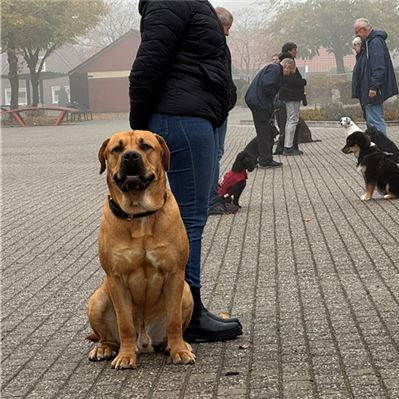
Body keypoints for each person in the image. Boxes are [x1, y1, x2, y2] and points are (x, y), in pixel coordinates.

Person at [129, 0, 242, 342]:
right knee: (187, 218)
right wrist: (140, 130)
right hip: (181, 118)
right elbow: (147, 66)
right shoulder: (170, 2)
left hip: (190, 114)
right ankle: (184, 314)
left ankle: (176, 310)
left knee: (181, 219)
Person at [208, 6, 239, 216]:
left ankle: (212, 196)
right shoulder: (213, 44)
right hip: (216, 108)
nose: (227, 32)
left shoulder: (217, 44)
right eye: (226, 27)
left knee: (215, 153)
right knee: (213, 154)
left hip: (219, 106)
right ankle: (211, 199)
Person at [245, 57, 296, 168]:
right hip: (259, 103)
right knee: (264, 132)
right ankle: (264, 160)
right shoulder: (275, 69)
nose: (288, 75)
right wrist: (274, 101)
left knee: (266, 131)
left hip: (257, 102)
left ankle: (255, 157)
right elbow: (267, 86)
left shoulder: (274, 69)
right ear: (286, 66)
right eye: (290, 72)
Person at [352, 18, 398, 136]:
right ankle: (377, 149)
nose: (356, 35)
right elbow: (364, 66)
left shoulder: (375, 42)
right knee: (371, 122)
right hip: (366, 89)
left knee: (375, 122)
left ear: (364, 30)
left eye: (357, 31)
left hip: (371, 90)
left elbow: (379, 67)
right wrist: (359, 53)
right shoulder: (367, 43)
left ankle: (381, 149)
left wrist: (373, 87)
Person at [274, 43, 306, 156]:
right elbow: (291, 80)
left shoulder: (283, 61)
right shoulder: (288, 62)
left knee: (290, 120)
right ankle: (288, 147)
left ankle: (288, 146)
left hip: (288, 95)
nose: (296, 52)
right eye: (295, 50)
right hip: (291, 95)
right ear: (290, 51)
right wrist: (303, 82)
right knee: (292, 120)